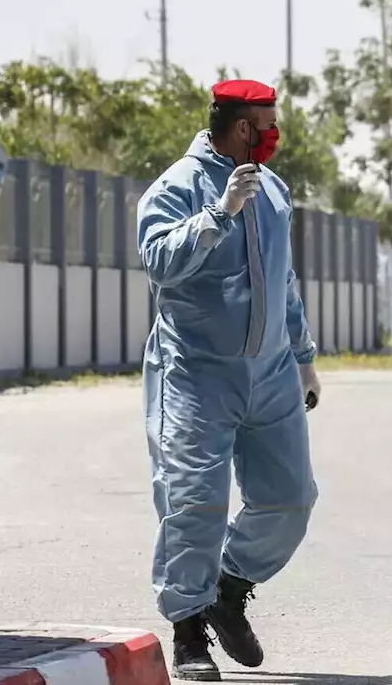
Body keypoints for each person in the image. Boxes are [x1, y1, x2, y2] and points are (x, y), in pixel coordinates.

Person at [137, 79, 321, 681]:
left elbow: (283, 279)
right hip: (196, 375)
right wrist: (218, 215)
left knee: (290, 498)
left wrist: (302, 356)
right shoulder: (175, 188)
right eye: (268, 122)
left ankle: (228, 587)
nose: (275, 134)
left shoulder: (272, 190)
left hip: (269, 373)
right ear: (242, 127)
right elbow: (159, 262)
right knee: (194, 505)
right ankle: (188, 630)